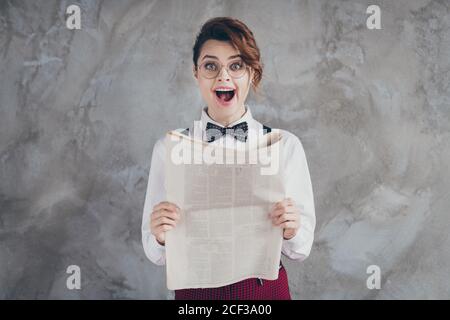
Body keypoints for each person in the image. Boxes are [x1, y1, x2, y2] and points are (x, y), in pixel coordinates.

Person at [141, 17, 315, 300]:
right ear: (196, 74)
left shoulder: (284, 146)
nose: (224, 76)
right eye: (211, 66)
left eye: (236, 66)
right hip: (196, 298)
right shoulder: (168, 149)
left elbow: (301, 248)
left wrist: (292, 229)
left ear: (252, 74)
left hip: (264, 295)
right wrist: (160, 234)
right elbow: (155, 253)